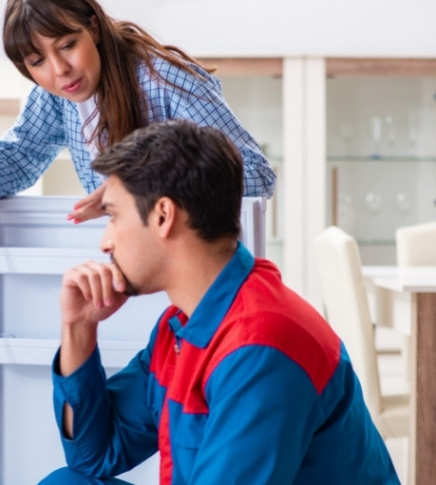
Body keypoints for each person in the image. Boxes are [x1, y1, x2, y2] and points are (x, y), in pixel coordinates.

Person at [40, 119, 400, 484]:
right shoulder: (179, 328)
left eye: (113, 216)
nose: (105, 242)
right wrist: (79, 327)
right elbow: (94, 457)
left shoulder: (262, 346)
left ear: (164, 216)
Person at [0, 0, 275, 255]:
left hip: (198, 268)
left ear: (95, 27)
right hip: (139, 262)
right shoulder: (56, 93)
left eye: (68, 45)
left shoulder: (164, 81)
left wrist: (143, 185)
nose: (59, 70)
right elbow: (21, 155)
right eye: (38, 61)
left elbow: (257, 176)